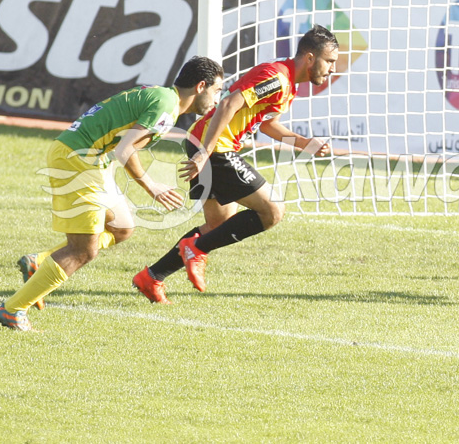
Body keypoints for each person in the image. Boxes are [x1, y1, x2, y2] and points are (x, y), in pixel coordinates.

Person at [0, 56, 225, 330]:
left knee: (121, 227)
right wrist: (151, 186)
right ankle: (12, 310)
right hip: (77, 159)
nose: (216, 99)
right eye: (217, 91)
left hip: (94, 159)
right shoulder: (166, 105)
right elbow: (125, 149)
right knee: (83, 250)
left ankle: (40, 263)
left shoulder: (164, 98)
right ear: (201, 86)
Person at [131, 25, 338, 304]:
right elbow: (228, 104)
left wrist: (304, 143)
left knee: (218, 225)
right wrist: (205, 152)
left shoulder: (288, 84)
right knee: (273, 211)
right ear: (311, 58)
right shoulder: (276, 78)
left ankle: (152, 276)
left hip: (206, 143)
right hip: (214, 147)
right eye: (330, 61)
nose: (331, 69)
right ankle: (195, 249)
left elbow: (268, 126)